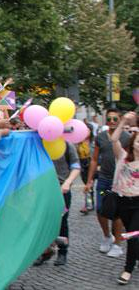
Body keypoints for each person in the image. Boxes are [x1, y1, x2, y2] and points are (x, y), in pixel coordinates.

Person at [85, 108, 131, 257]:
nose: (111, 122)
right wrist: (89, 180)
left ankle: (117, 244)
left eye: (115, 119)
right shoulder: (100, 137)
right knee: (100, 208)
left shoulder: (127, 137)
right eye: (109, 119)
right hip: (104, 181)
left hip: (120, 181)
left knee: (118, 213)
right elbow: (94, 159)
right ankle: (107, 236)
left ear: (120, 120)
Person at [34, 141, 81, 266]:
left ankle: (62, 252)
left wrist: (68, 182)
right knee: (42, 221)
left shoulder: (66, 145)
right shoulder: (37, 144)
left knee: (62, 222)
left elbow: (76, 166)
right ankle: (45, 252)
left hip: (62, 190)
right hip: (42, 190)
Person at [110, 112, 138, 285]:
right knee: (131, 234)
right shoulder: (123, 156)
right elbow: (113, 139)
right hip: (123, 201)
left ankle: (127, 270)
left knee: (133, 236)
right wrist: (122, 123)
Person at [77, 123, 95, 214]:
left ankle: (88, 205)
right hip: (83, 166)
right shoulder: (78, 142)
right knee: (88, 186)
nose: (86, 132)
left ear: (91, 131)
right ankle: (90, 203)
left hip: (93, 166)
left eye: (88, 130)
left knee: (93, 187)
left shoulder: (94, 142)